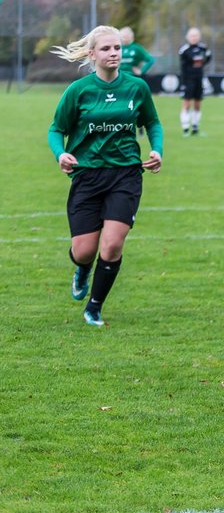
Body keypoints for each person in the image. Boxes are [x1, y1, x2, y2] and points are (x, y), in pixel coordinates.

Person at [47, 25, 164, 327]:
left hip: (125, 174)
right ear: (92, 54)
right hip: (87, 176)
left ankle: (94, 307)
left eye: (117, 48)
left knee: (112, 245)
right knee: (84, 251)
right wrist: (61, 153)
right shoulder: (79, 90)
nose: (113, 53)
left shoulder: (136, 87)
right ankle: (82, 269)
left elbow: (152, 122)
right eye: (106, 49)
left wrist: (156, 150)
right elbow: (56, 129)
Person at [178, 27, 211, 135]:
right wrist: (183, 82)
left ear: (199, 37)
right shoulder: (184, 50)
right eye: (192, 36)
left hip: (199, 78)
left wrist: (201, 64)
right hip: (188, 80)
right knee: (187, 103)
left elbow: (208, 57)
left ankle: (195, 127)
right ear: (188, 37)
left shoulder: (203, 48)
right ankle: (185, 127)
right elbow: (183, 66)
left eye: (196, 35)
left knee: (197, 103)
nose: (194, 38)